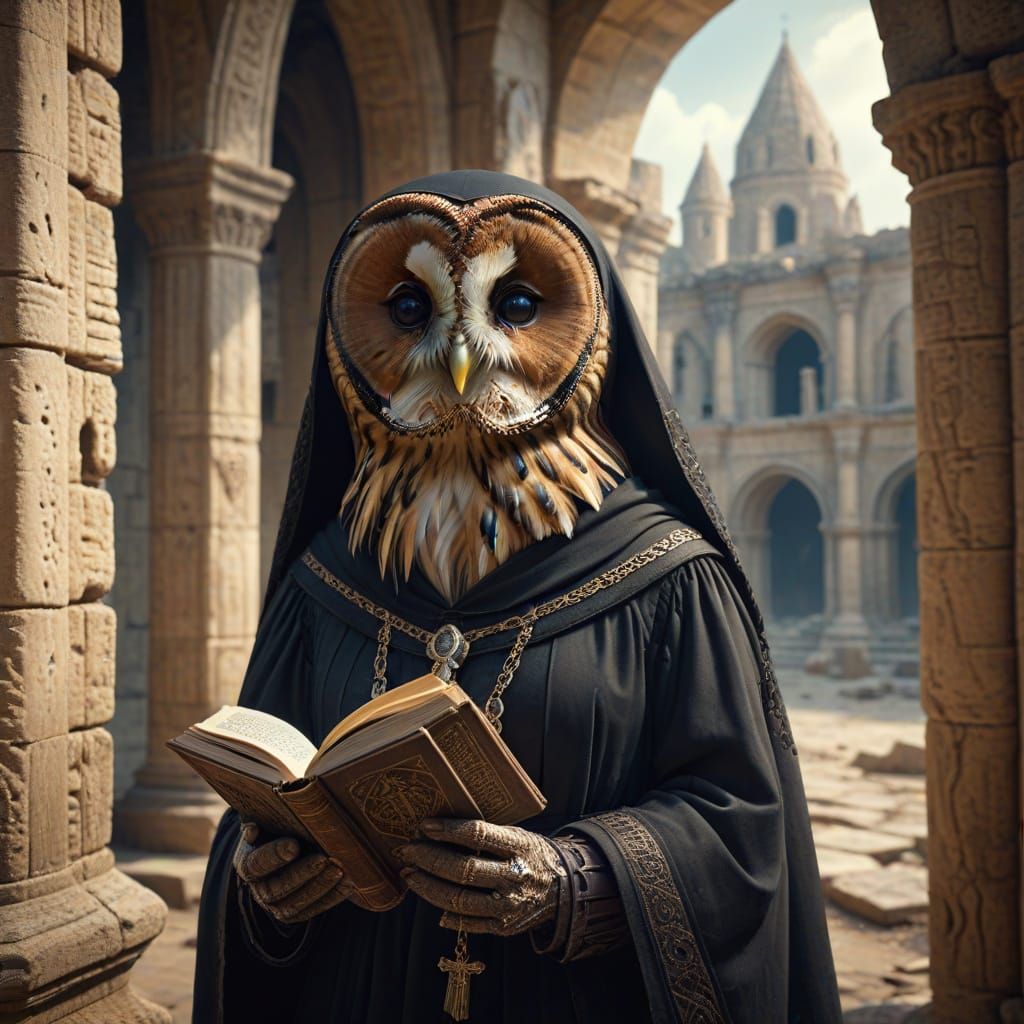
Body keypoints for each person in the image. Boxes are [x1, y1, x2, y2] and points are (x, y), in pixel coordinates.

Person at [192, 170, 841, 1023]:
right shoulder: (325, 578)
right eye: (413, 311)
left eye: (520, 306)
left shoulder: (670, 576)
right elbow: (264, 802)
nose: (462, 351)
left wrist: (579, 880)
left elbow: (742, 822)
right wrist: (262, 877)